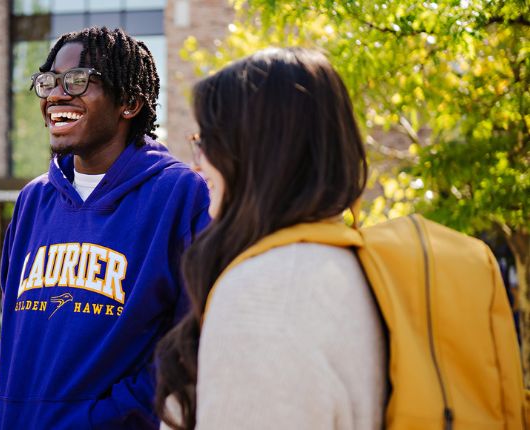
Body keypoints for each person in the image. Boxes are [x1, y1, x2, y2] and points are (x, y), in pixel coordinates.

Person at [0, 27, 211, 429]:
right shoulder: (33, 200)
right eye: (48, 82)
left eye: (78, 80)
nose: (56, 96)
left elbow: (192, 340)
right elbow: (12, 332)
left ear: (130, 103)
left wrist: (104, 419)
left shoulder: (180, 194)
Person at [155, 47, 387, 430]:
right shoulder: (353, 265)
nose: (196, 162)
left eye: (205, 140)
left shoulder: (264, 298)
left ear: (255, 151)